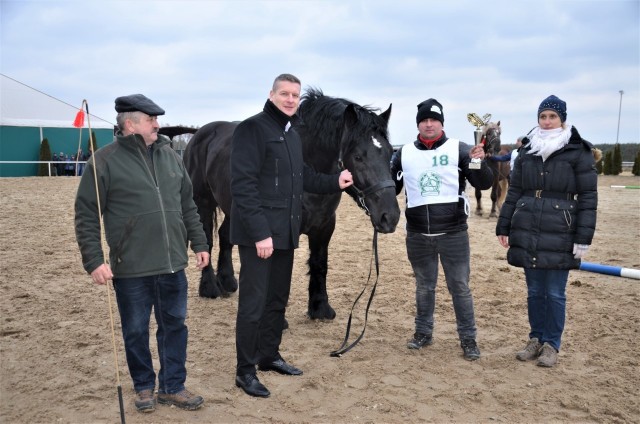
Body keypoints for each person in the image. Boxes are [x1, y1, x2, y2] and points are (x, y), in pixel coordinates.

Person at [74, 94, 210, 412]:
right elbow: (86, 214)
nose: (157, 125)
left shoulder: (171, 157)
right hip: (130, 266)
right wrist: (94, 260)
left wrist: (200, 243)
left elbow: (188, 204)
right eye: (151, 120)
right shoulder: (103, 162)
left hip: (173, 263)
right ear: (131, 123)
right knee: (135, 330)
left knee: (174, 326)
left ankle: (173, 386)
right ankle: (144, 387)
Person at [230, 73, 353, 398]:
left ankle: (269, 356)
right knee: (253, 304)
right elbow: (242, 186)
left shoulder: (291, 134)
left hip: (284, 232)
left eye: (294, 95)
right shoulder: (251, 129)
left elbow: (304, 177)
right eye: (284, 93)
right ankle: (245, 371)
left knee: (276, 300)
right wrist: (259, 234)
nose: (289, 99)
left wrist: (335, 182)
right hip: (259, 236)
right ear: (271, 94)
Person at [496, 95, 598, 368]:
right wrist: (503, 224)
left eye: (553, 116)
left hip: (561, 229)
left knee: (554, 292)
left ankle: (552, 344)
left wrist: (583, 236)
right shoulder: (528, 150)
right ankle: (536, 338)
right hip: (528, 225)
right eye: (543, 116)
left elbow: (588, 196)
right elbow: (514, 190)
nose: (547, 121)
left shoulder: (578, 151)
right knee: (534, 291)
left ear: (562, 119)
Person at [390, 98, 493, 361]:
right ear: (418, 124)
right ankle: (423, 333)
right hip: (417, 234)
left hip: (453, 233)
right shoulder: (403, 153)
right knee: (424, 287)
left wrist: (479, 161)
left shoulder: (460, 149)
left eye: (433, 120)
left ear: (441, 123)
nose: (428, 124)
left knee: (459, 287)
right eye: (424, 120)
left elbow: (483, 182)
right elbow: (392, 187)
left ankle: (468, 339)